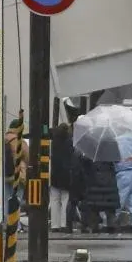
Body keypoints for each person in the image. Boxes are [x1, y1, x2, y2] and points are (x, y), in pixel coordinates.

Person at [49, 99, 78, 231]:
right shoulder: (70, 143)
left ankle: (54, 225)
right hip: (66, 175)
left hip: (54, 174)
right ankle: (63, 223)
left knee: (54, 200)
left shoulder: (53, 143)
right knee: (65, 199)